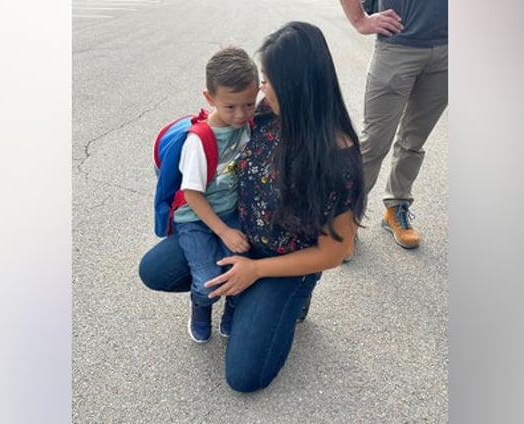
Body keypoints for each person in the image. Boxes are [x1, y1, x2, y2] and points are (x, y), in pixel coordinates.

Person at [138, 21, 365, 392]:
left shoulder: (337, 158)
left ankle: (294, 295)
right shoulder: (263, 115)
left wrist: (256, 271)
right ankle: (249, 297)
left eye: (268, 79)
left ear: (296, 86)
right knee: (155, 271)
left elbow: (336, 251)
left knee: (244, 377)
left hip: (282, 261)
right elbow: (219, 120)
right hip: (237, 234)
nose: (261, 88)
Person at [339, 0, 448, 249]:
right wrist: (360, 20)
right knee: (374, 142)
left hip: (448, 50)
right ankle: (346, 217)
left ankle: (396, 206)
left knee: (413, 141)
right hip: (398, 46)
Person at [172, 47, 258, 343]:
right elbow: (192, 194)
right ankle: (201, 307)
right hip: (196, 217)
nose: (240, 114)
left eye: (249, 104)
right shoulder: (200, 140)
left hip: (229, 210)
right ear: (209, 99)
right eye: (230, 107)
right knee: (208, 280)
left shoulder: (246, 125)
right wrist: (223, 231)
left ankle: (232, 312)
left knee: (238, 264)